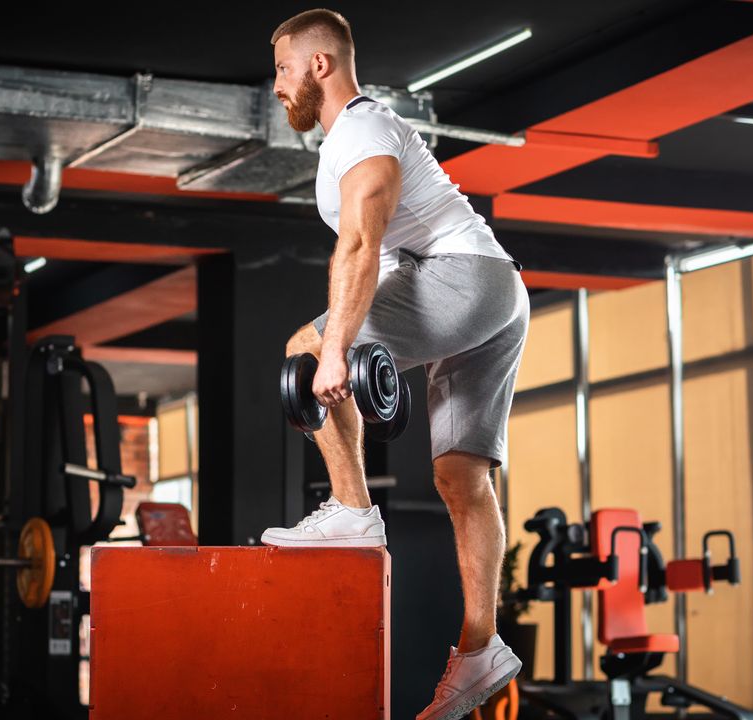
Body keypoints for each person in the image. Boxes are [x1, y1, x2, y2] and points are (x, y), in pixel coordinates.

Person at [261, 9, 530, 720]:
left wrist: (336, 350)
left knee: (304, 348)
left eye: (284, 69)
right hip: (499, 291)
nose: (277, 85)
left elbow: (358, 243)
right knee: (461, 477)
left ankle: (351, 509)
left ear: (320, 64)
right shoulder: (352, 139)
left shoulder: (362, 130)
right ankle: (482, 647)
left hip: (465, 279)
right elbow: (382, 262)